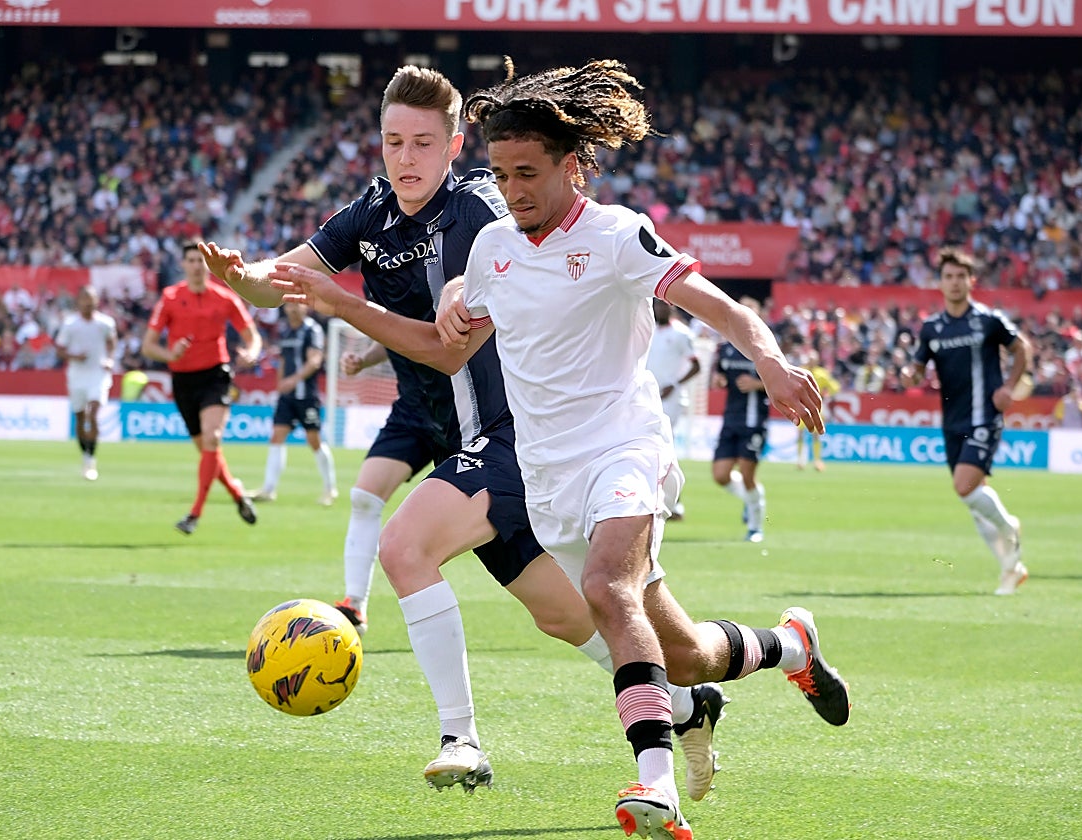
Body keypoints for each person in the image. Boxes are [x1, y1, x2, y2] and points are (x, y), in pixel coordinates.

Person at [275, 59, 850, 840]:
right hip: (548, 479)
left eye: (529, 174)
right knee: (681, 655)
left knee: (609, 590)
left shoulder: (617, 236)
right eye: (502, 173)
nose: (512, 192)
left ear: (574, 165)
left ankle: (655, 787)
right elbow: (445, 346)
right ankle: (791, 647)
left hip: (625, 449)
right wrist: (361, 315)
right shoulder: (493, 252)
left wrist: (772, 361)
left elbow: (715, 304)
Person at [200, 65, 728, 801]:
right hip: (458, 440)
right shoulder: (372, 213)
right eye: (392, 142)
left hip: (513, 433)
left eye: (422, 143)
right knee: (567, 619)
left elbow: (459, 321)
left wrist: (377, 305)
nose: (406, 158)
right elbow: (282, 279)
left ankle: (462, 738)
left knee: (403, 545)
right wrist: (240, 274)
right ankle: (682, 702)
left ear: (454, 147)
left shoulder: (484, 208)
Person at [900, 247, 1032, 595]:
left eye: (961, 276)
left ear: (971, 281)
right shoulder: (931, 328)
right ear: (940, 283)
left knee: (964, 486)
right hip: (952, 422)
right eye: (949, 277)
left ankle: (1010, 528)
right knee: (974, 502)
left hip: (984, 417)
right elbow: (917, 368)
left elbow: (1023, 348)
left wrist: (1009, 387)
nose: (955, 282)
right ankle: (1011, 568)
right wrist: (910, 376)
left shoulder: (988, 320)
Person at [141, 241, 262, 535]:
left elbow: (252, 337)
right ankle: (237, 494)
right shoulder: (170, 298)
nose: (196, 265)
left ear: (207, 265)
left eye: (200, 260)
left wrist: (251, 353)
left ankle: (194, 514)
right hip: (183, 381)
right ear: (183, 265)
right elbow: (148, 346)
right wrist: (171, 355)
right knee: (209, 450)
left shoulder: (224, 298)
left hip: (215, 375)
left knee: (213, 437)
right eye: (191, 260)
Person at [251, 301, 338, 506]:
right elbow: (283, 360)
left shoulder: (312, 330)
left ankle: (330, 489)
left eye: (297, 304)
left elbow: (315, 360)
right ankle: (268, 489)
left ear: (305, 307)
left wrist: (293, 380)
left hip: (306, 395)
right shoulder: (285, 330)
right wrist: (280, 383)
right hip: (287, 396)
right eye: (289, 305)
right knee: (276, 436)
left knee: (314, 439)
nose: (293, 308)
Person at [711, 330, 771, 544]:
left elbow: (781, 380)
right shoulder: (726, 348)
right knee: (720, 475)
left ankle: (756, 528)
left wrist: (757, 384)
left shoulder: (763, 348)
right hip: (730, 419)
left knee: (747, 475)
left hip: (754, 420)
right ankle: (750, 498)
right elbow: (720, 375)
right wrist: (719, 380)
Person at [54, 285, 118, 481]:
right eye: (84, 299)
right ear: (79, 301)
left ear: (97, 301)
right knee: (81, 417)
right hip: (77, 376)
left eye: (91, 299)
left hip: (98, 374)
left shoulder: (106, 323)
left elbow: (112, 341)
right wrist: (74, 356)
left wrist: (110, 359)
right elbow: (60, 349)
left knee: (93, 412)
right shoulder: (70, 324)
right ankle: (86, 455)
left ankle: (91, 459)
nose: (88, 303)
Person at [645, 298, 700, 520]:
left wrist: (674, 384)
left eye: (663, 305)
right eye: (656, 305)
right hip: (647, 395)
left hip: (672, 399)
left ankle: (673, 502)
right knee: (649, 446)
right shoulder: (647, 328)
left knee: (662, 444)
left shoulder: (681, 333)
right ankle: (661, 500)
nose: (660, 309)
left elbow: (696, 366)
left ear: (672, 306)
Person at [796, 348, 840, 472]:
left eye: (813, 359)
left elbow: (834, 387)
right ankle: (800, 460)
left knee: (816, 434)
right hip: (802, 406)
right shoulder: (800, 371)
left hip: (816, 407)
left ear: (817, 360)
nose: (811, 361)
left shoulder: (822, 374)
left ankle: (817, 460)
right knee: (800, 433)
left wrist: (827, 395)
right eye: (810, 359)